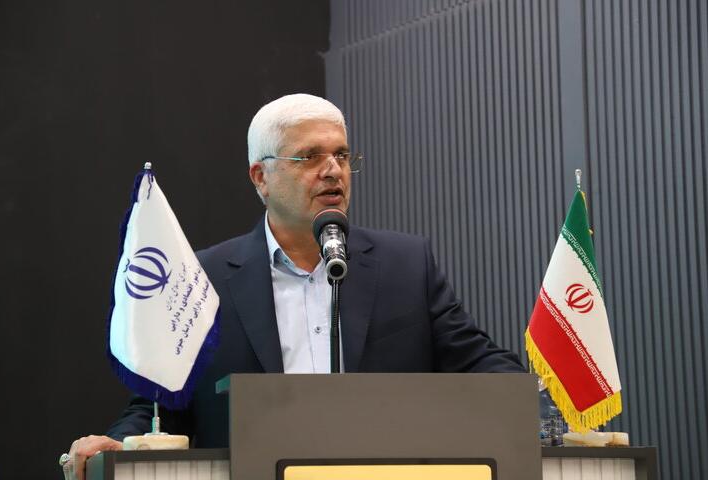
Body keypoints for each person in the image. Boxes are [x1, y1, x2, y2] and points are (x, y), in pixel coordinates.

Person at [60, 93, 525, 479]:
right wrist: (116, 444)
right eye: (309, 157)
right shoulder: (205, 279)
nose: (333, 170)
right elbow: (161, 406)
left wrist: (533, 398)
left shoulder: (405, 265)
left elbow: (481, 365)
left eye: (342, 155)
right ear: (261, 177)